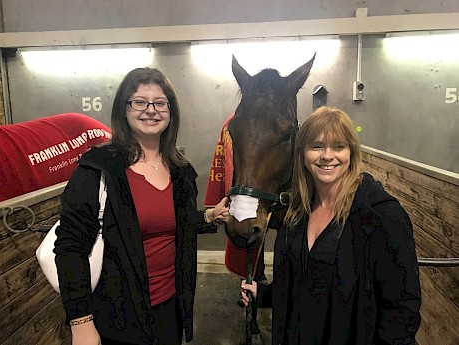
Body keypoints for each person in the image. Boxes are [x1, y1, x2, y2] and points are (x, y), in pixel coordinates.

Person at [54, 67, 228, 345]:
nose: (151, 110)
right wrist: (81, 321)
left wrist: (208, 216)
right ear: (124, 109)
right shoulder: (99, 168)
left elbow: (171, 224)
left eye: (160, 103)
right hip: (118, 319)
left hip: (170, 311)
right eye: (139, 101)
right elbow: (69, 248)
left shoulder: (181, 172)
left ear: (171, 112)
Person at [241, 106, 421, 344]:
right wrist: (264, 295)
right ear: (303, 155)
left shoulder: (381, 216)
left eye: (338, 146)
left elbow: (401, 310)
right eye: (316, 146)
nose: (327, 156)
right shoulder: (297, 212)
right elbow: (303, 281)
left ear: (351, 153)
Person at [204, 114, 268, 297]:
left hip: (267, 192)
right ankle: (250, 284)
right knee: (246, 234)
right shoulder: (234, 122)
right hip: (246, 192)